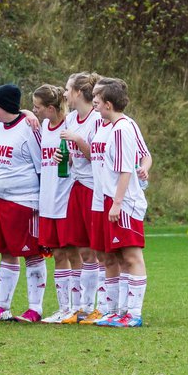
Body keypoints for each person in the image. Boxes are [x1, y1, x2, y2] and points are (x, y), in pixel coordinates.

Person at [0, 83, 47, 323]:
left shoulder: (29, 129)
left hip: (24, 202)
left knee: (32, 254)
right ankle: (2, 307)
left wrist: (42, 204)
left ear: (5, 106)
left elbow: (41, 166)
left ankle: (35, 308)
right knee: (7, 254)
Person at [90, 79, 150, 327]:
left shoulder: (122, 129)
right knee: (118, 256)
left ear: (108, 104)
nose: (93, 102)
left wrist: (116, 203)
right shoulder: (112, 127)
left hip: (125, 203)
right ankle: (120, 311)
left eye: (97, 99)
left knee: (132, 256)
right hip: (112, 201)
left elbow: (126, 170)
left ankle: (133, 314)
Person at [59, 72, 106, 324]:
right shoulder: (69, 119)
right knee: (79, 249)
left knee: (95, 250)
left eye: (67, 89)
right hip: (76, 187)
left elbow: (96, 156)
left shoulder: (97, 119)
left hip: (92, 188)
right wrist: (63, 157)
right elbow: (74, 155)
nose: (65, 94)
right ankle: (82, 308)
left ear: (78, 92)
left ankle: (97, 306)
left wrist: (78, 140)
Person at [32, 83, 76, 323]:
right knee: (58, 254)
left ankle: (80, 307)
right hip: (47, 199)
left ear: (51, 107)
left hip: (67, 198)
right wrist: (29, 115)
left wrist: (68, 160)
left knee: (74, 252)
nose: (34, 110)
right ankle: (63, 307)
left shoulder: (69, 125)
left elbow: (81, 161)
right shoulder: (44, 126)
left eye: (37, 107)